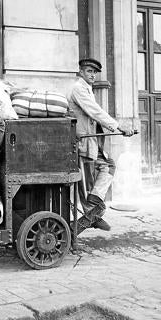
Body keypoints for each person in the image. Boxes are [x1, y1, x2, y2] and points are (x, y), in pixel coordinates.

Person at [67, 58, 134, 234]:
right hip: (82, 142)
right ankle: (91, 215)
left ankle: (94, 206)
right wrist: (118, 126)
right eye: (89, 71)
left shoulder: (87, 89)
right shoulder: (78, 89)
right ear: (80, 72)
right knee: (85, 183)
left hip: (92, 142)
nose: (92, 75)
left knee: (108, 165)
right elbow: (95, 111)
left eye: (94, 72)